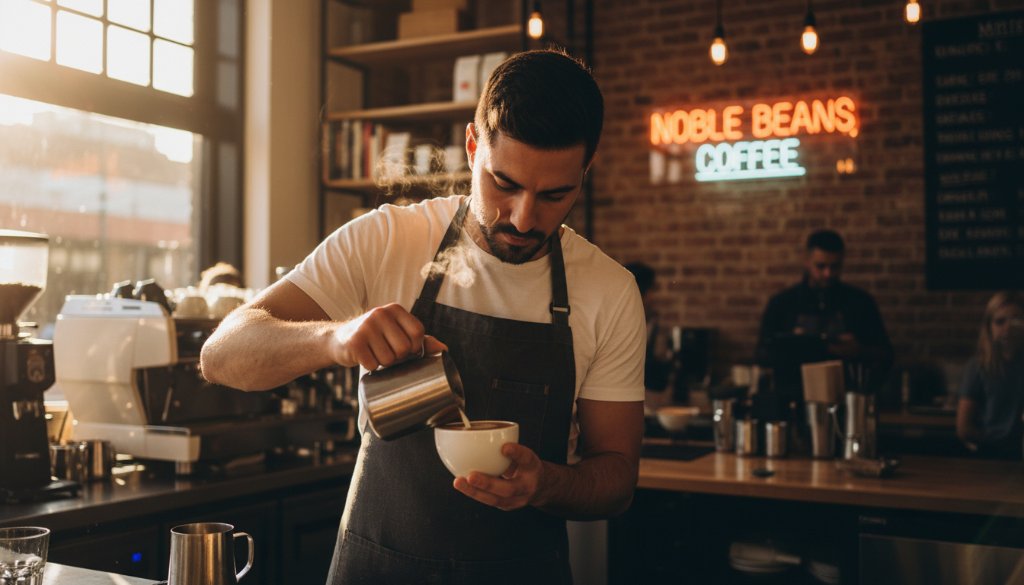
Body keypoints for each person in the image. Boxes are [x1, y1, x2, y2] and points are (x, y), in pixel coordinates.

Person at [200, 50, 646, 585]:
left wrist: (546, 484)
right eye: (504, 183)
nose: (525, 218)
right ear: (472, 146)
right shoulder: (386, 239)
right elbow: (222, 356)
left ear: (585, 171)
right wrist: (336, 338)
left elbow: (617, 479)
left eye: (555, 194)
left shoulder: (610, 291)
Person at [755, 229, 893, 403]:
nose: (828, 273)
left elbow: (886, 355)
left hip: (846, 402)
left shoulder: (860, 303)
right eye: (821, 266)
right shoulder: (782, 304)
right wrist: (794, 345)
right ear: (807, 261)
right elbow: (761, 355)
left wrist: (858, 350)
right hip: (792, 402)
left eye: (834, 267)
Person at [956, 291, 1024, 459]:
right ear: (989, 327)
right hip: (989, 454)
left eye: (1015, 320)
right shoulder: (978, 367)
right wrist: (996, 442)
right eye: (1000, 322)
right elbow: (964, 428)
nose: (1008, 328)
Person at [625, 262, 673, 399]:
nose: (654, 296)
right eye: (652, 289)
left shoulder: (654, 324)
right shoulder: (620, 325)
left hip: (652, 400)